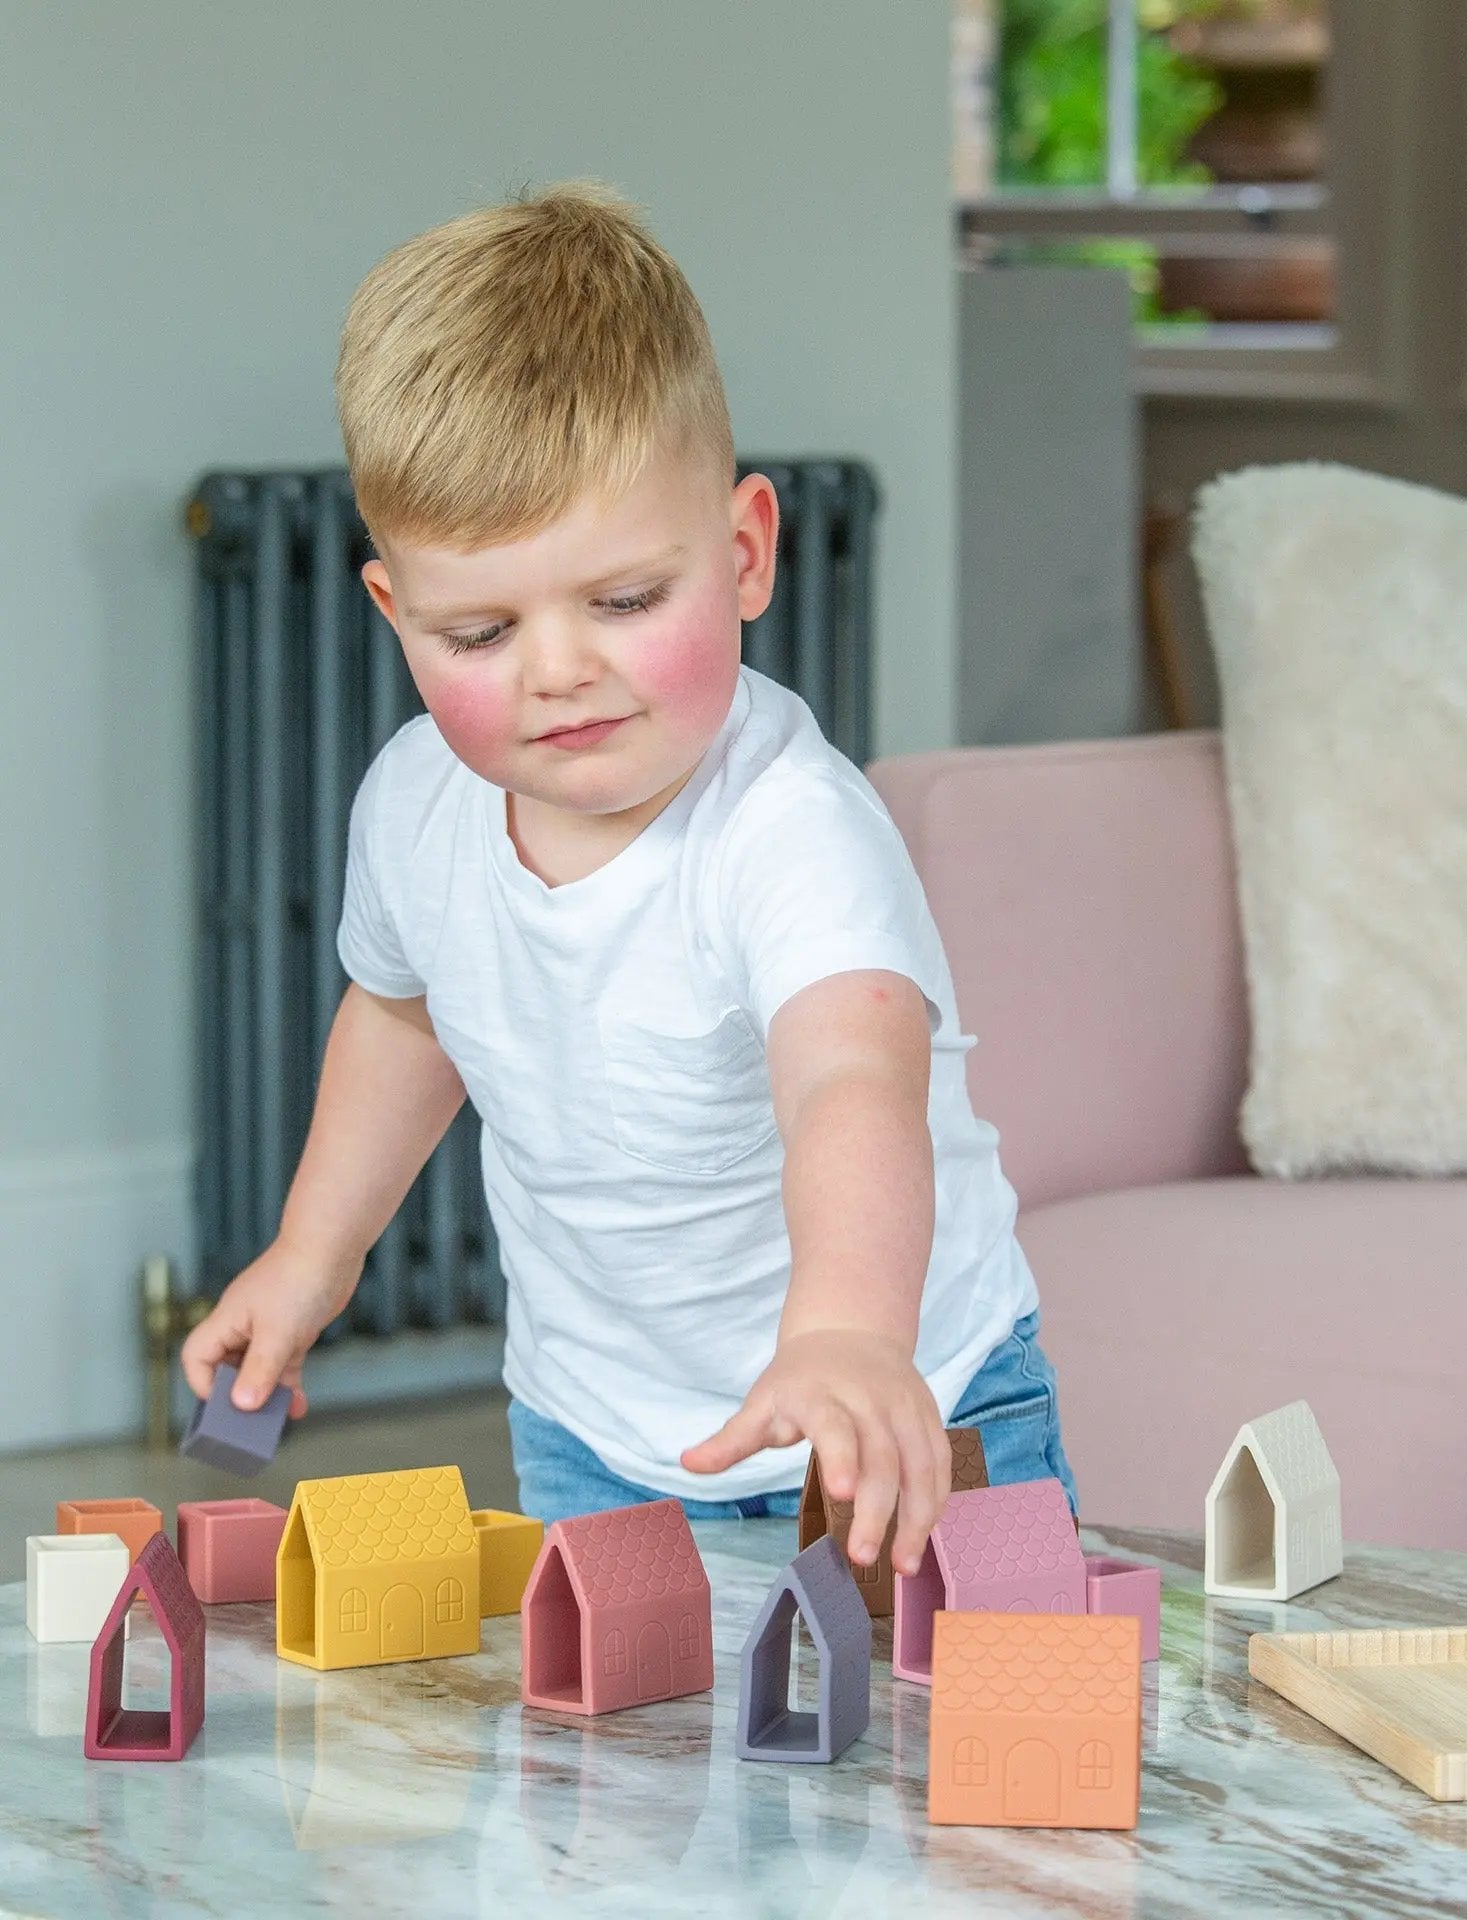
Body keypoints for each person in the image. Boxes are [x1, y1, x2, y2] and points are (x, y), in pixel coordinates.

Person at [181, 181, 1074, 1580]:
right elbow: (409, 1019)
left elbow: (850, 1081)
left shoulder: (789, 831)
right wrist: (313, 1253)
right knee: (622, 1776)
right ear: (394, 615)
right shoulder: (417, 806)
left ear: (745, 553)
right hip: (595, 1432)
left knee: (953, 1767)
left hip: (902, 1409)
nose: (556, 670)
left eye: (623, 603)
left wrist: (846, 1332)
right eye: (479, 629)